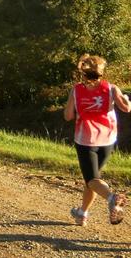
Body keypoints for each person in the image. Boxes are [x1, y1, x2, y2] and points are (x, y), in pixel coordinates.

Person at [65, 54, 130, 226]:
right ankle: (82, 214)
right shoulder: (111, 88)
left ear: (83, 73)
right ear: (101, 72)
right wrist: (126, 99)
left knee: (92, 180)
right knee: (93, 180)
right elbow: (126, 108)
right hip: (108, 139)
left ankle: (112, 197)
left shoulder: (76, 90)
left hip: (85, 140)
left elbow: (68, 116)